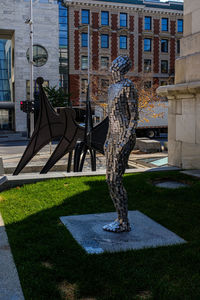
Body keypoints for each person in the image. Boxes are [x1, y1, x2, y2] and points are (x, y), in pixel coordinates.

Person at [103, 55, 138, 233]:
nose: (113, 68)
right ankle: (119, 218)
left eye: (117, 66)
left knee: (116, 179)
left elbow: (134, 117)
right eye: (113, 65)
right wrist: (108, 138)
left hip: (124, 136)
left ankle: (124, 222)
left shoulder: (128, 86)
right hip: (113, 137)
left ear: (122, 69)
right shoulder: (111, 88)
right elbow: (111, 118)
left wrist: (125, 140)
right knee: (109, 179)